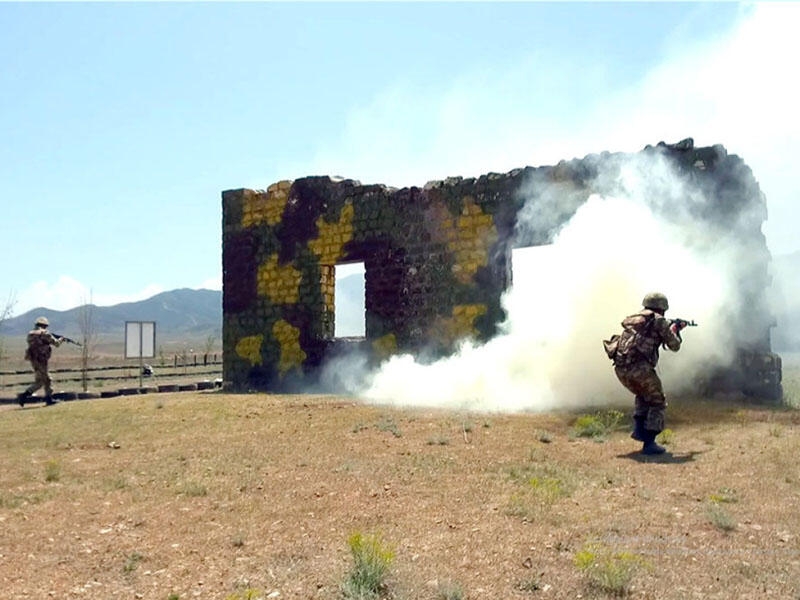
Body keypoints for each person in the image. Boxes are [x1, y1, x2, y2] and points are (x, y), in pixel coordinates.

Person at [607, 292, 687, 455]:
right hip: (640, 368)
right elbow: (675, 346)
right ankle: (649, 443)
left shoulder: (634, 319)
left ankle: (639, 431)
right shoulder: (658, 321)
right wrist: (676, 330)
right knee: (657, 401)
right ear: (662, 308)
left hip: (621, 368)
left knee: (643, 396)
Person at [17, 316, 67, 407]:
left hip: (33, 360)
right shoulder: (45, 333)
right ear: (45, 325)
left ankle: (23, 396)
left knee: (39, 382)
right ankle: (49, 399)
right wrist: (61, 339)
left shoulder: (31, 334)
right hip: (41, 360)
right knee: (48, 379)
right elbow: (56, 344)